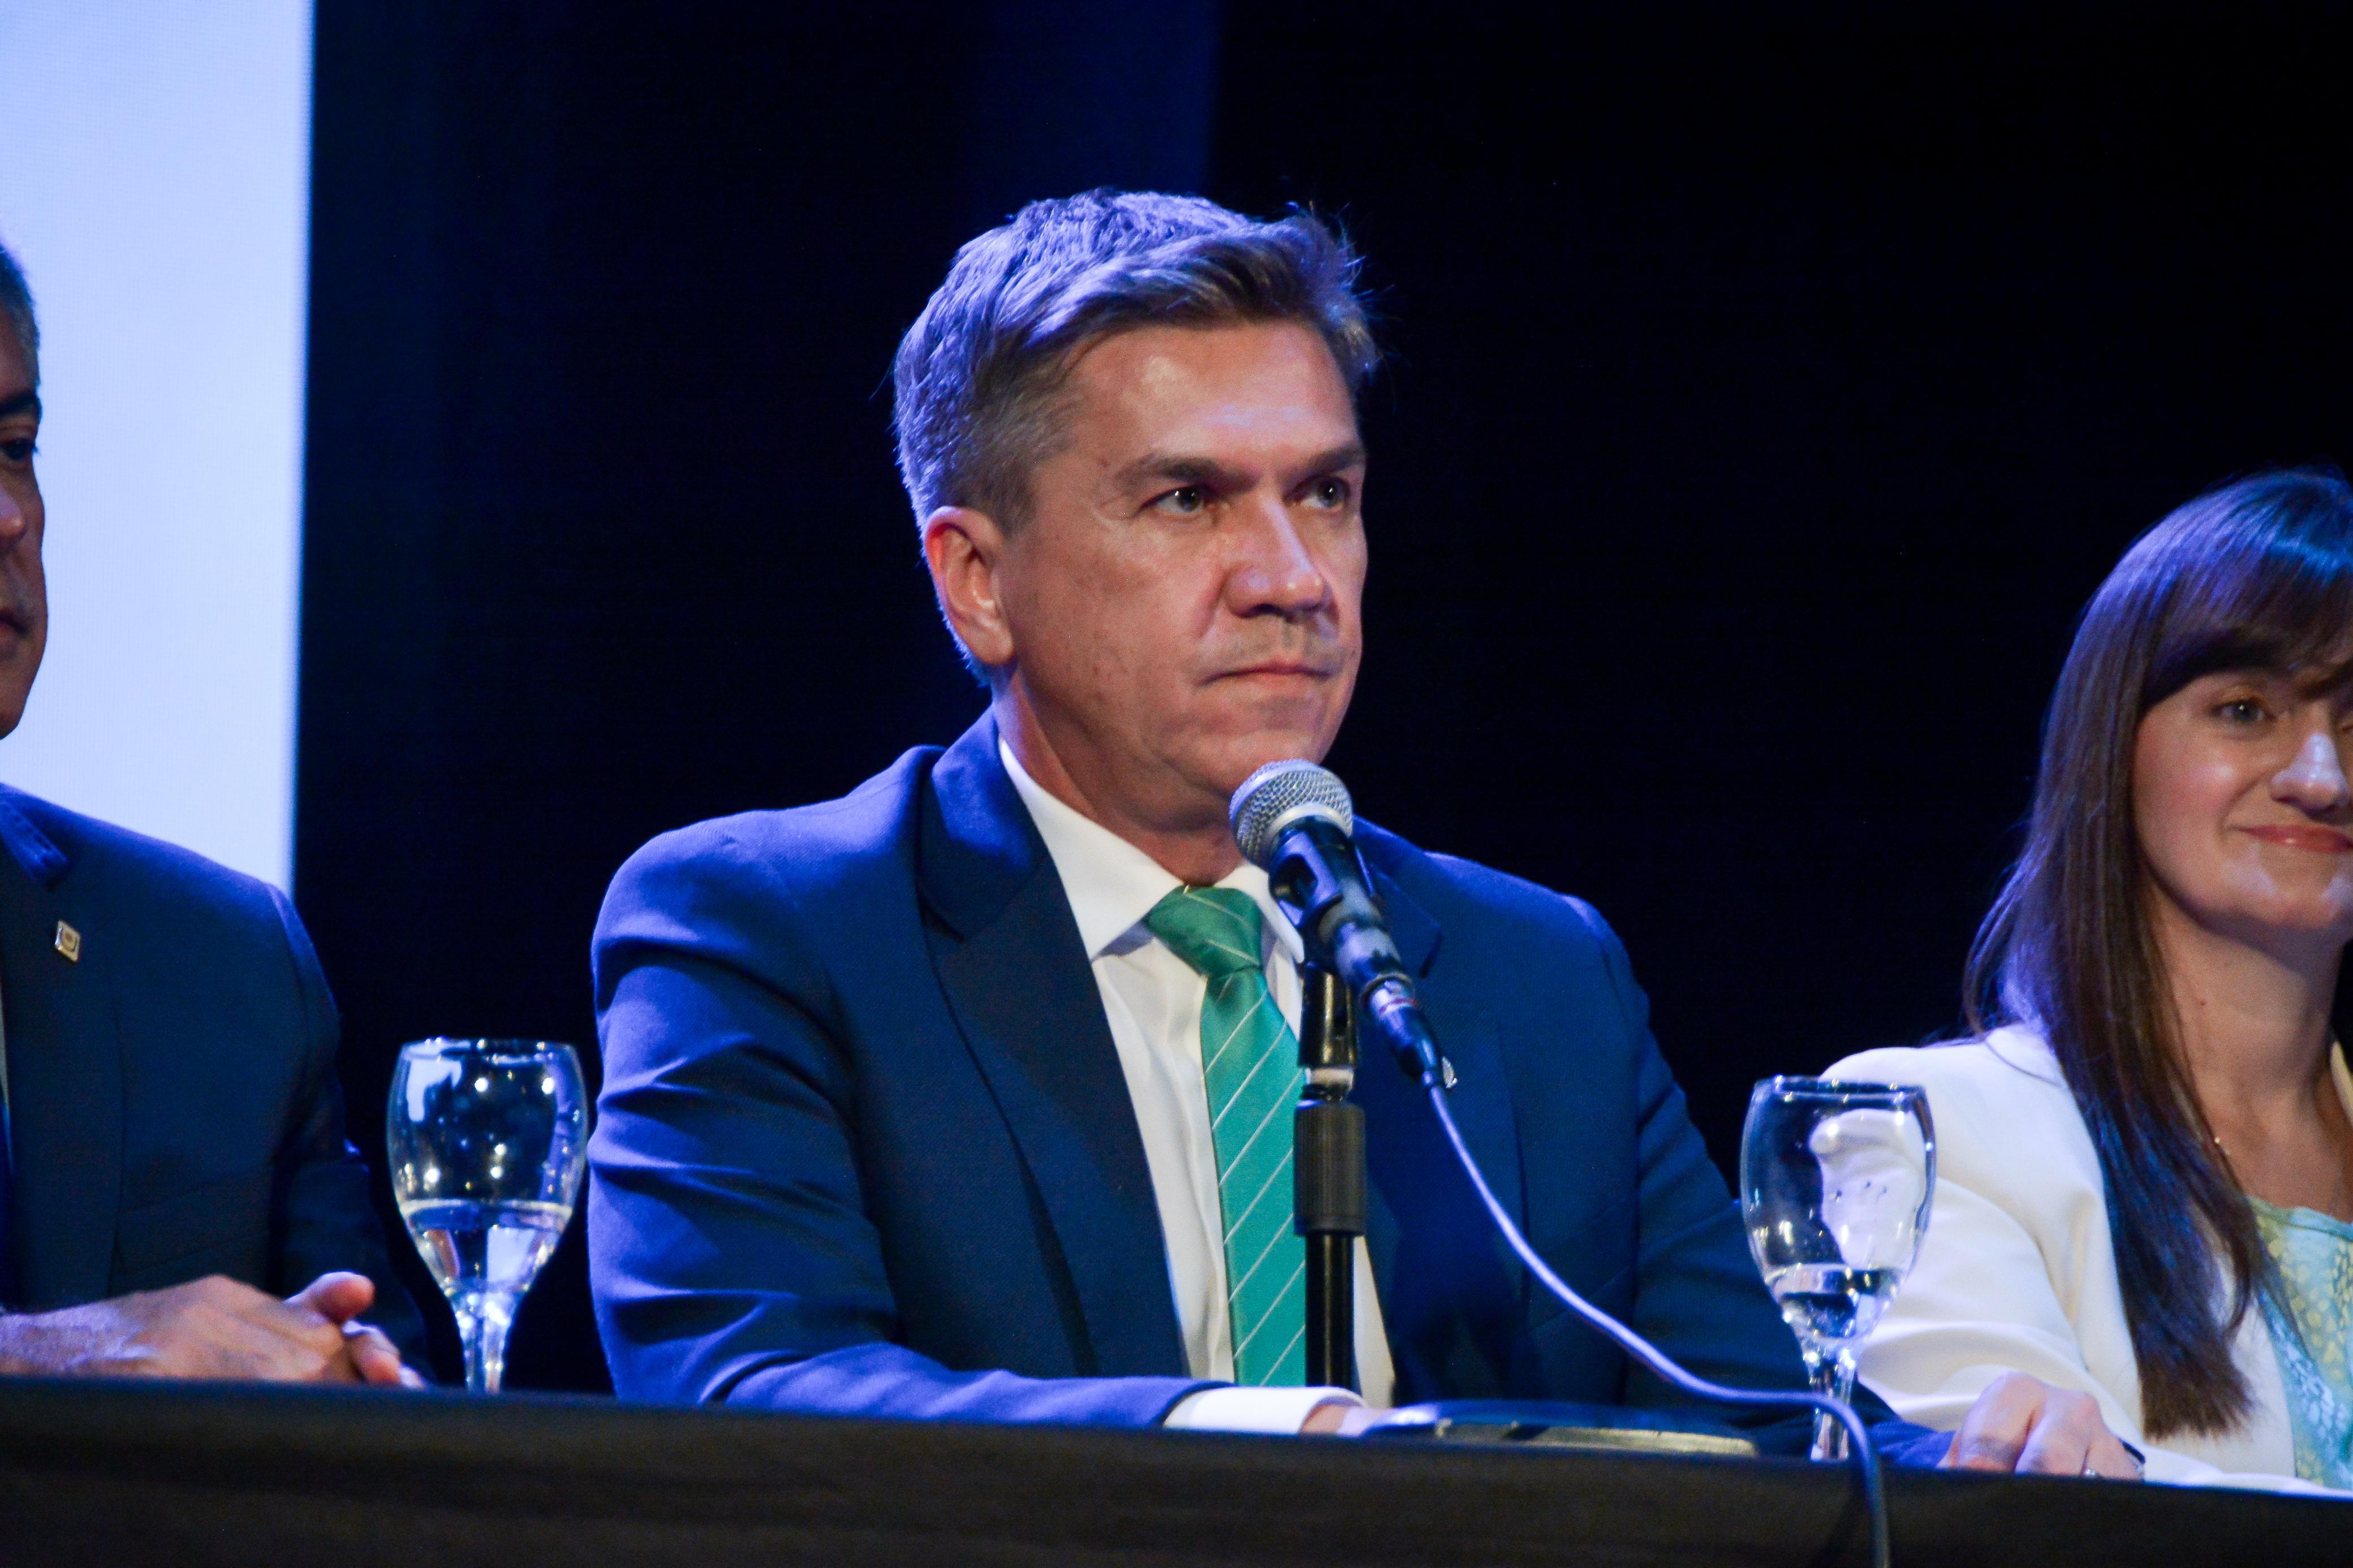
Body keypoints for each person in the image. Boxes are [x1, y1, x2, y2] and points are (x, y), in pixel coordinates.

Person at [588, 189, 2119, 1469]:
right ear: (976, 580)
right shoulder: (777, 929)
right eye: (1188, 500)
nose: (1292, 579)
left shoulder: (1536, 971)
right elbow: (746, 1390)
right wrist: (1253, 1438)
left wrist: (1974, 1467)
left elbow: (1759, 1435)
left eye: (1325, 493)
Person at [1831, 469, 2353, 1491]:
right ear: (2112, 747)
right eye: (2245, 709)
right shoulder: (1919, 1131)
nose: (2321, 777)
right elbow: (2031, 1524)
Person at [0, 238, 424, 1383]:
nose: (8, 518)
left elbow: (396, 1412)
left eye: (15, 448)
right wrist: (49, 1359)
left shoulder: (227, 972)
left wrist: (348, 1381)